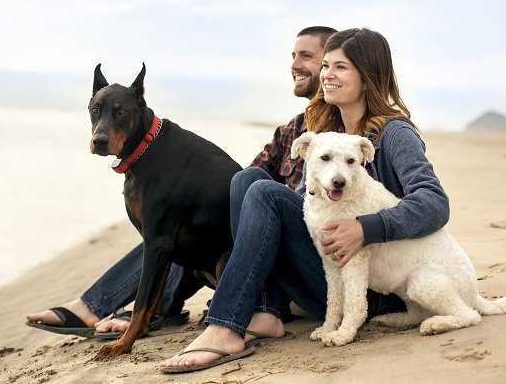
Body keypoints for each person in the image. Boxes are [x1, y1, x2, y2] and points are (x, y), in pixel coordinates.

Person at [159, 27, 450, 373]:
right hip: (326, 280)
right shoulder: (331, 133)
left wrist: (366, 228)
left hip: (376, 291)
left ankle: (225, 325)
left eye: (340, 67)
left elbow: (434, 202)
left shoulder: (393, 133)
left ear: (368, 76)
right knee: (248, 179)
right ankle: (265, 311)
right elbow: (307, 204)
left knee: (263, 189)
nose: (327, 75)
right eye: (326, 65)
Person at [25, 26, 339, 337]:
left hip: (299, 262)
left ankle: (135, 308)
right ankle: (128, 306)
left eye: (307, 56)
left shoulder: (344, 137)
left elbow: (278, 199)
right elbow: (238, 190)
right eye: (293, 56)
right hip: (259, 250)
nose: (295, 64)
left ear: (331, 64)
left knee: (170, 230)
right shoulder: (290, 130)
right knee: (182, 218)